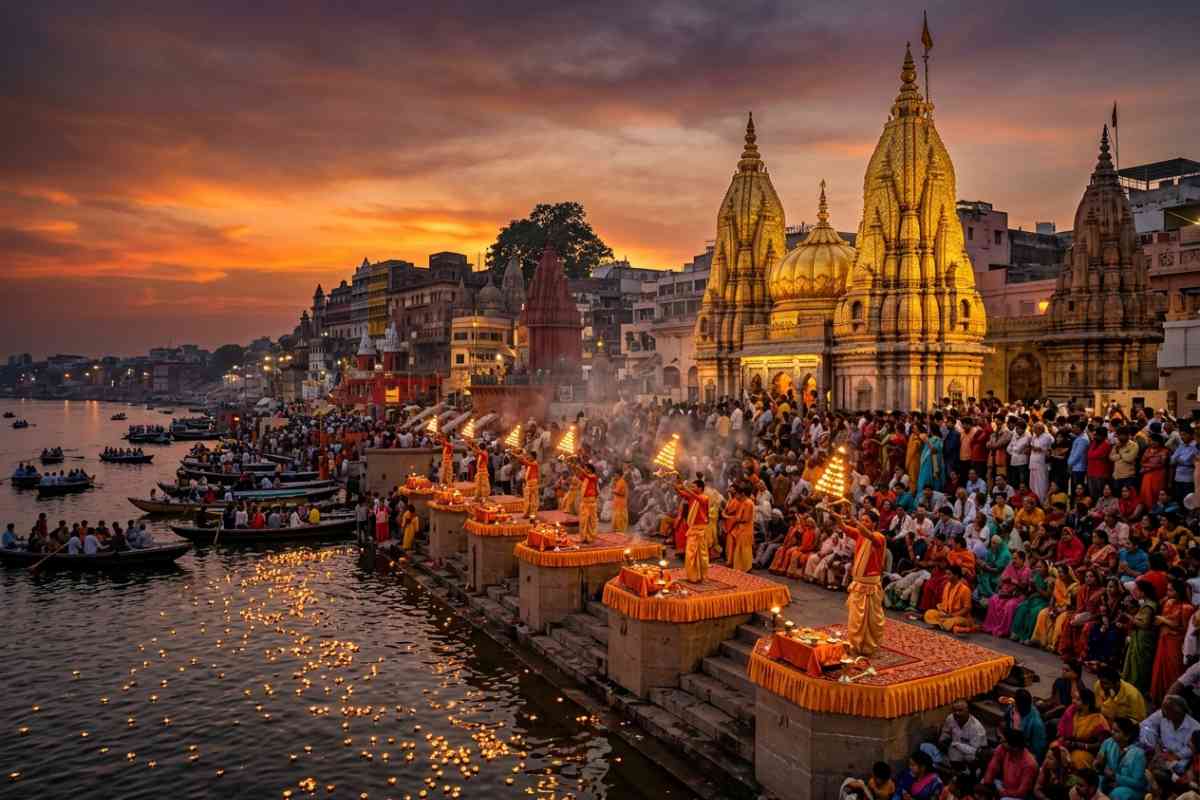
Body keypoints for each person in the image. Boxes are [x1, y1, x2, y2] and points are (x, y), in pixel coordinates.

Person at [836, 508, 887, 656]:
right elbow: (844, 528)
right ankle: (855, 644)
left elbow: (868, 534)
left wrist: (855, 520)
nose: (864, 523)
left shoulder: (879, 537)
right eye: (863, 520)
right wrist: (836, 517)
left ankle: (868, 646)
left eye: (867, 521)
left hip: (870, 584)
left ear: (875, 523)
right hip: (858, 582)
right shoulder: (860, 533)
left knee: (870, 619)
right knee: (855, 617)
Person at [1052, 687, 1110, 770]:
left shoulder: (1098, 720)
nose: (1073, 701)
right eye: (1074, 698)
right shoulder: (1072, 711)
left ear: (1087, 703)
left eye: (1078, 699)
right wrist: (1063, 743)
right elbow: (1062, 730)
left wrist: (1078, 745)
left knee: (1077, 760)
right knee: (1053, 750)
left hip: (1086, 751)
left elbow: (1102, 745)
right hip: (1068, 744)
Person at [1139, 694, 1200, 772]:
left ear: (1178, 712)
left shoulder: (1195, 727)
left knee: (1175, 769)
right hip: (1161, 752)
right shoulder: (1162, 714)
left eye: (1167, 710)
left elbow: (1192, 748)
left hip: (1181, 759)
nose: (1163, 712)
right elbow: (1145, 725)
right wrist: (1153, 745)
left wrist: (1176, 756)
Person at [919, 699, 986, 769]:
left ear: (968, 711)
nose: (957, 713)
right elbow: (945, 732)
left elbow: (975, 751)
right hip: (954, 748)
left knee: (969, 757)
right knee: (925, 747)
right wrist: (943, 740)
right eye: (954, 710)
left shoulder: (977, 728)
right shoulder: (950, 718)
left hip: (972, 753)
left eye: (960, 710)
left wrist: (956, 744)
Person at [1094, 717, 1147, 800]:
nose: (1112, 733)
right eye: (1112, 729)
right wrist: (1097, 764)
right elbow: (1098, 765)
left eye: (1116, 731)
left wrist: (1115, 777)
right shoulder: (1108, 743)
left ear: (1127, 736)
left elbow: (1139, 784)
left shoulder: (1138, 754)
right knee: (1094, 784)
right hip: (1108, 783)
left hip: (1130, 789)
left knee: (1118, 793)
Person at [982, 729, 1038, 800]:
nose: (1000, 742)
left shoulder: (1029, 764)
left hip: (1018, 796)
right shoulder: (1003, 748)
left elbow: (1021, 792)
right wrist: (987, 785)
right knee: (983, 782)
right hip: (1003, 786)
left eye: (1004, 741)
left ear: (1015, 747)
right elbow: (992, 767)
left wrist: (1002, 793)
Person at [674, 479, 710, 583]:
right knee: (691, 553)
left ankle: (703, 576)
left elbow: (698, 498)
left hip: (700, 529)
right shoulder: (691, 496)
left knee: (702, 555)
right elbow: (680, 492)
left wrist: (686, 488)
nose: (692, 489)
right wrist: (675, 485)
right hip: (693, 529)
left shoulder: (704, 497)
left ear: (700, 488)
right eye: (692, 487)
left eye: (694, 487)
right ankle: (693, 576)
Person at [923, 565, 974, 634]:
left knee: (951, 621)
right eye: (946, 574)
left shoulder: (965, 589)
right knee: (929, 613)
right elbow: (944, 603)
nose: (946, 576)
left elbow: (967, 608)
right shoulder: (947, 585)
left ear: (956, 575)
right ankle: (948, 626)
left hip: (959, 617)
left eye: (949, 574)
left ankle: (962, 628)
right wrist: (942, 612)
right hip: (946, 615)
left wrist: (951, 615)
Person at [722, 484, 754, 572]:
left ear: (742, 494)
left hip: (746, 529)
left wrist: (731, 518)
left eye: (737, 494)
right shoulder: (742, 502)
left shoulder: (748, 503)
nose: (736, 496)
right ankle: (740, 567)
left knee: (744, 549)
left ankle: (746, 567)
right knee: (739, 549)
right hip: (740, 528)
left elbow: (745, 519)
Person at [573, 461, 599, 544]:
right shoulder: (585, 477)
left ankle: (590, 537)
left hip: (591, 502)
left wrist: (579, 468)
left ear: (591, 469)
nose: (585, 469)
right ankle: (584, 537)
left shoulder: (593, 477)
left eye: (586, 468)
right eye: (585, 468)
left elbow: (586, 475)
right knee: (584, 521)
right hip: (584, 502)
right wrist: (573, 467)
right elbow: (578, 475)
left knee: (591, 521)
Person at [611, 465, 629, 532]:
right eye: (614, 475)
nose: (615, 476)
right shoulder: (618, 481)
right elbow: (613, 488)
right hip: (616, 505)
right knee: (615, 521)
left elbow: (623, 494)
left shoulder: (622, 482)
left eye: (616, 475)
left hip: (621, 505)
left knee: (620, 522)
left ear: (619, 475)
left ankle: (620, 535)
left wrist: (614, 491)